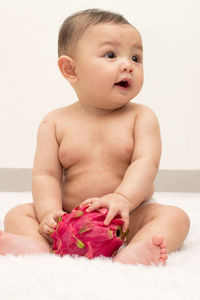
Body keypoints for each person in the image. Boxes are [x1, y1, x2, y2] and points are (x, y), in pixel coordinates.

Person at [0, 9, 190, 265]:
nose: (128, 65)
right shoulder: (54, 122)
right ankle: (36, 247)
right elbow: (45, 175)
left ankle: (134, 250)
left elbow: (146, 163)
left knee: (176, 217)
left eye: (136, 57)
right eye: (111, 55)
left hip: (125, 217)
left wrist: (122, 198)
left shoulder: (141, 117)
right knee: (17, 214)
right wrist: (49, 213)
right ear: (71, 69)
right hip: (69, 218)